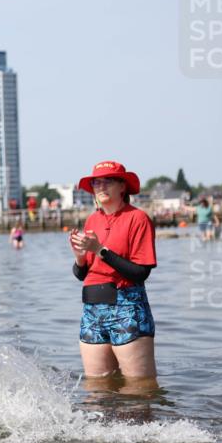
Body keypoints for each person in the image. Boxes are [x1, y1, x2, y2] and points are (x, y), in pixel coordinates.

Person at [69, 160, 157, 381]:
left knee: (140, 387)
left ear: (122, 186)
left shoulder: (137, 218)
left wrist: (100, 250)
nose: (101, 186)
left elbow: (141, 272)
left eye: (107, 181)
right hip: (92, 310)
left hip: (126, 308)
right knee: (97, 387)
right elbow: (82, 274)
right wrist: (80, 257)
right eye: (96, 182)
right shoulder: (92, 220)